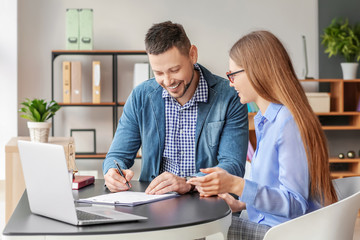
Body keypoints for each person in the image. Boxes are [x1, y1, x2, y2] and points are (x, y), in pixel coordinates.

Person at [187, 30, 338, 240]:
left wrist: (235, 185)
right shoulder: (267, 121)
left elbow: (295, 203)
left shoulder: (287, 122)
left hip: (283, 233)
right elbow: (273, 187)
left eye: (233, 74)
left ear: (256, 71)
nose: (230, 83)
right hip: (272, 225)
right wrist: (242, 202)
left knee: (201, 231)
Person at [103, 21, 248, 195]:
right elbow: (116, 156)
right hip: (154, 206)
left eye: (175, 69)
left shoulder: (229, 96)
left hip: (209, 205)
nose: (168, 80)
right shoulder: (141, 96)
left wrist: (189, 183)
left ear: (192, 55)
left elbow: (232, 167)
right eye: (158, 73)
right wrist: (112, 172)